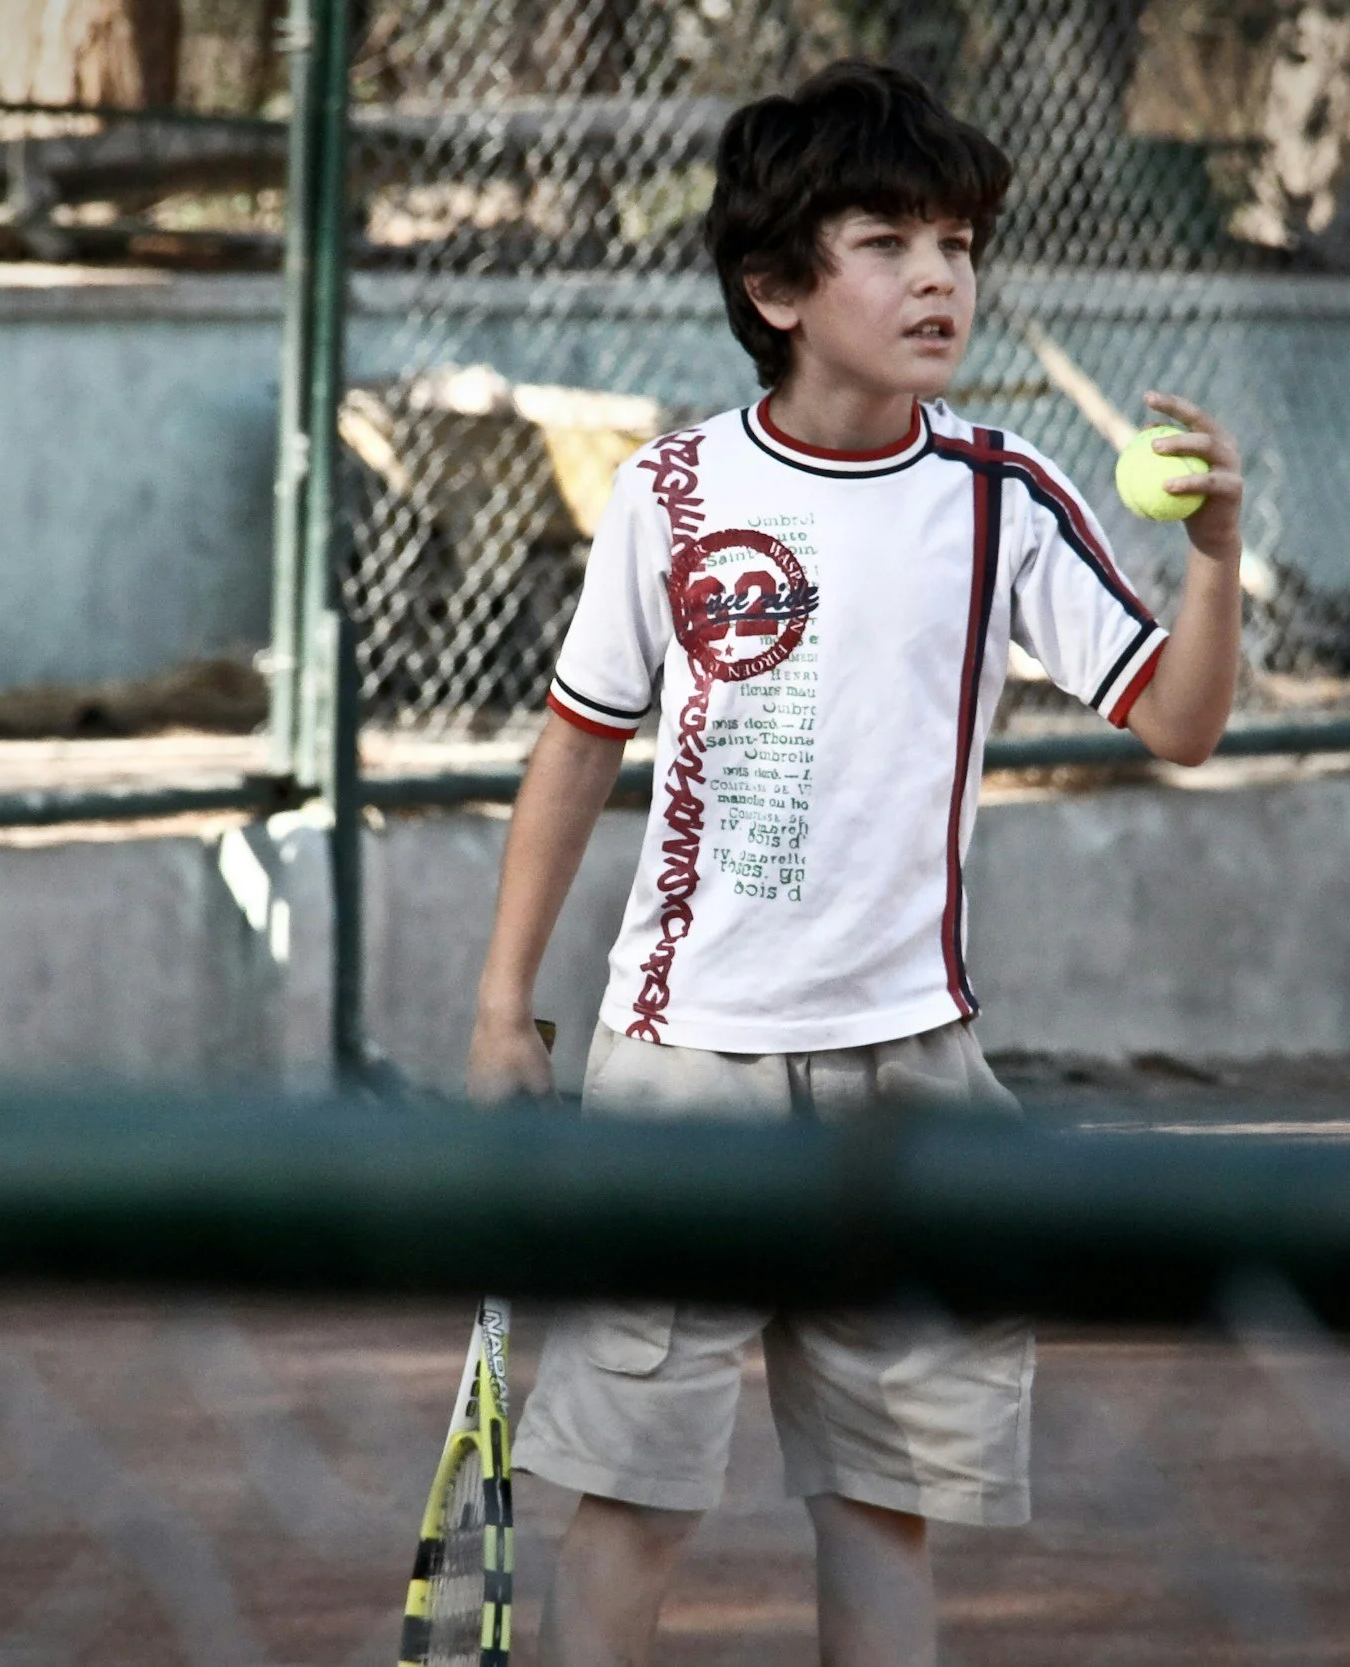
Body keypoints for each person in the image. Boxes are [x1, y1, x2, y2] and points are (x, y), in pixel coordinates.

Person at [464, 59, 1245, 1667]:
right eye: (885, 239)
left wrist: (1218, 557)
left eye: (957, 239)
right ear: (775, 286)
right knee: (633, 1499)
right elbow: (577, 741)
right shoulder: (672, 494)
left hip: (914, 1075)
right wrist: (499, 1008)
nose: (940, 275)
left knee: (886, 1506)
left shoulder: (1000, 496)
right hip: (682, 1070)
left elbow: (1176, 719)